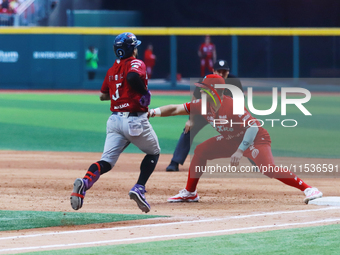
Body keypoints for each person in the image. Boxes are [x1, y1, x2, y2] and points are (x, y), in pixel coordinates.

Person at [149, 74, 323, 204]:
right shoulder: (202, 105)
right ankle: (190, 192)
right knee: (201, 150)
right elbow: (174, 109)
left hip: (255, 138)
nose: (201, 91)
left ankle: (308, 188)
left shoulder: (232, 105)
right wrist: (152, 112)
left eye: (205, 89)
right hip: (232, 139)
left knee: (268, 169)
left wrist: (241, 151)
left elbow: (253, 126)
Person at [71, 32, 160, 213]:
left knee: (107, 162)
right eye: (135, 46)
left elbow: (102, 95)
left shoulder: (112, 70)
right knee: (154, 152)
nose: (136, 49)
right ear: (131, 49)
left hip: (114, 120)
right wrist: (143, 92)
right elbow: (132, 77)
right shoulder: (136, 63)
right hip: (134, 120)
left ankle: (85, 182)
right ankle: (139, 187)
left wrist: (120, 95)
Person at [166, 60, 245, 172]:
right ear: (213, 71)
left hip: (227, 114)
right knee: (188, 130)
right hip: (205, 111)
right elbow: (194, 100)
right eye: (219, 71)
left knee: (244, 133)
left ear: (228, 72)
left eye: (224, 72)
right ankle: (175, 162)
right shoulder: (205, 81)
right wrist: (190, 120)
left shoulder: (234, 81)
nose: (222, 74)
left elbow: (240, 103)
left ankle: (257, 163)